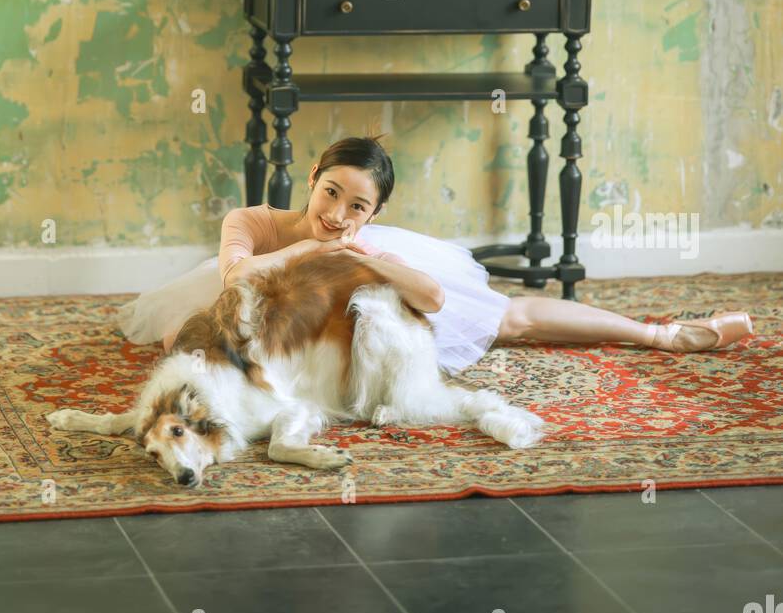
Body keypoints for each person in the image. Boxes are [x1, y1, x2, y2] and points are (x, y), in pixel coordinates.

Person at [115, 135, 754, 375]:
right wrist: (314, 245)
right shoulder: (251, 219)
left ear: (374, 215)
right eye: (329, 191)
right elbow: (236, 276)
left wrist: (356, 256)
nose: (336, 213)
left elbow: (433, 297)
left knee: (509, 321)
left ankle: (660, 335)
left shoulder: (362, 244)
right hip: (259, 302)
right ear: (311, 176)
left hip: (343, 296)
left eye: (356, 206)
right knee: (185, 337)